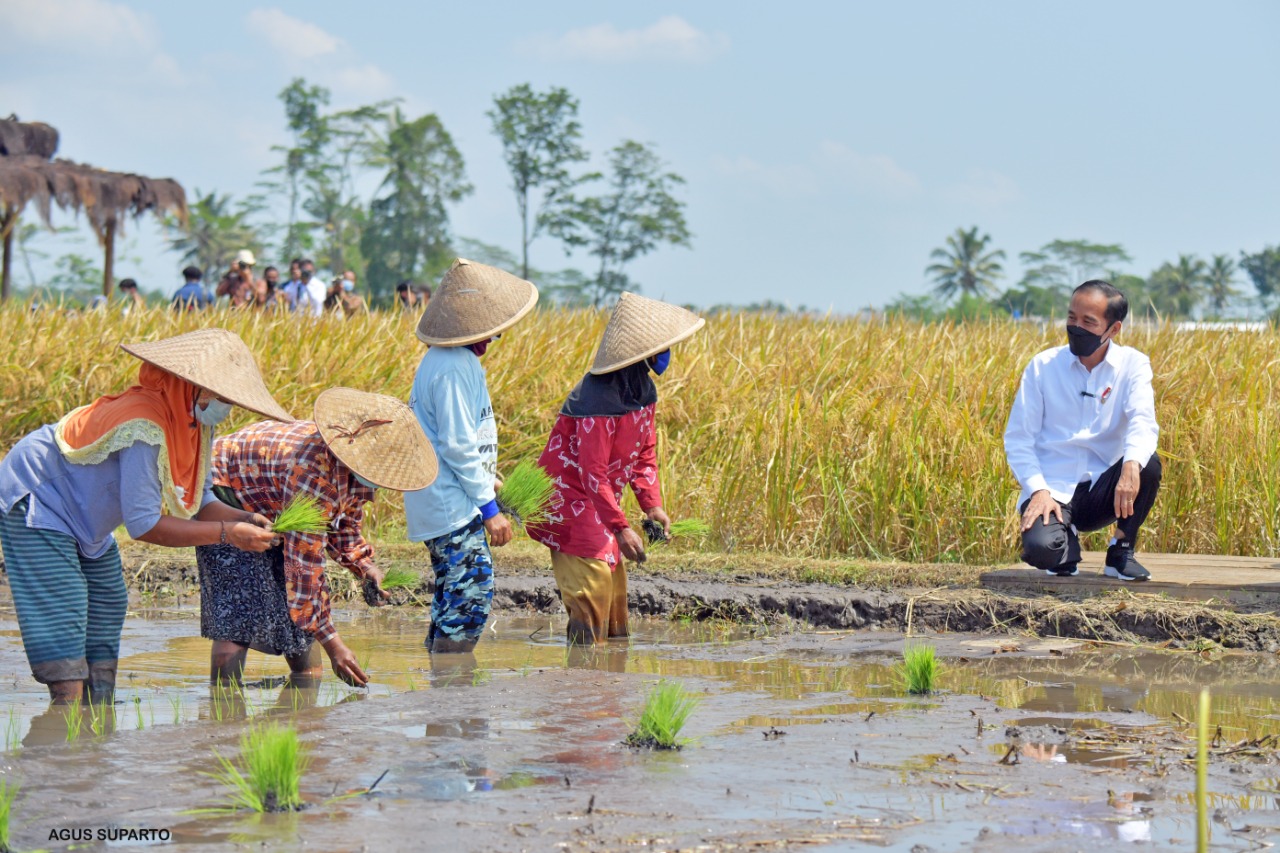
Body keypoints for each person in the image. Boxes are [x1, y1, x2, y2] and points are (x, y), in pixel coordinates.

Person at [0, 329, 291, 704]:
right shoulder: (146, 425)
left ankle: (99, 707)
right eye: (220, 397)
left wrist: (246, 518)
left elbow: (200, 499)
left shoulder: (193, 423)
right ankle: (66, 716)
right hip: (41, 496)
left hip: (87, 512)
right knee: (65, 603)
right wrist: (227, 534)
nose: (224, 406)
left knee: (109, 598)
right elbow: (143, 525)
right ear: (191, 386)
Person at [196, 388, 438, 687]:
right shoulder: (313, 472)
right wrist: (335, 644)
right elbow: (304, 571)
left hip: (273, 500)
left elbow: (343, 524)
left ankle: (304, 705)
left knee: (300, 633)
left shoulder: (354, 471)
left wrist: (366, 568)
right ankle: (225, 712)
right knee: (238, 615)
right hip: (226, 490)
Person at [527, 292, 705, 644]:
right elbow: (592, 474)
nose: (666, 354)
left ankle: (607, 686)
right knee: (591, 591)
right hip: (570, 502)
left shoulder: (641, 388)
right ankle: (582, 685)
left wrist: (651, 505)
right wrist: (622, 528)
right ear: (643, 351)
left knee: (615, 593)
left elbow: (644, 454)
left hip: (599, 505)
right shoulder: (596, 399)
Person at [404, 258, 538, 654]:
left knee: (452, 603)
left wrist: (490, 479)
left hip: (450, 498)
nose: (497, 335)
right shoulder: (450, 365)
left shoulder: (454, 361)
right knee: (469, 602)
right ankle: (450, 696)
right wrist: (490, 508)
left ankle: (441, 704)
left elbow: (455, 438)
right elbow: (457, 444)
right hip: (452, 505)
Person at [1004, 280, 1161, 582]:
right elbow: (1019, 439)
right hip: (1053, 490)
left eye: (1089, 322)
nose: (1076, 327)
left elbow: (1143, 420)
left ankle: (1121, 551)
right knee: (1044, 552)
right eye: (1072, 318)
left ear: (1113, 330)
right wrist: (1038, 490)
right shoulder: (1042, 366)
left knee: (1146, 463)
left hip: (1103, 489)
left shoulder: (1134, 365)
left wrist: (1130, 466)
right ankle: (1065, 539)